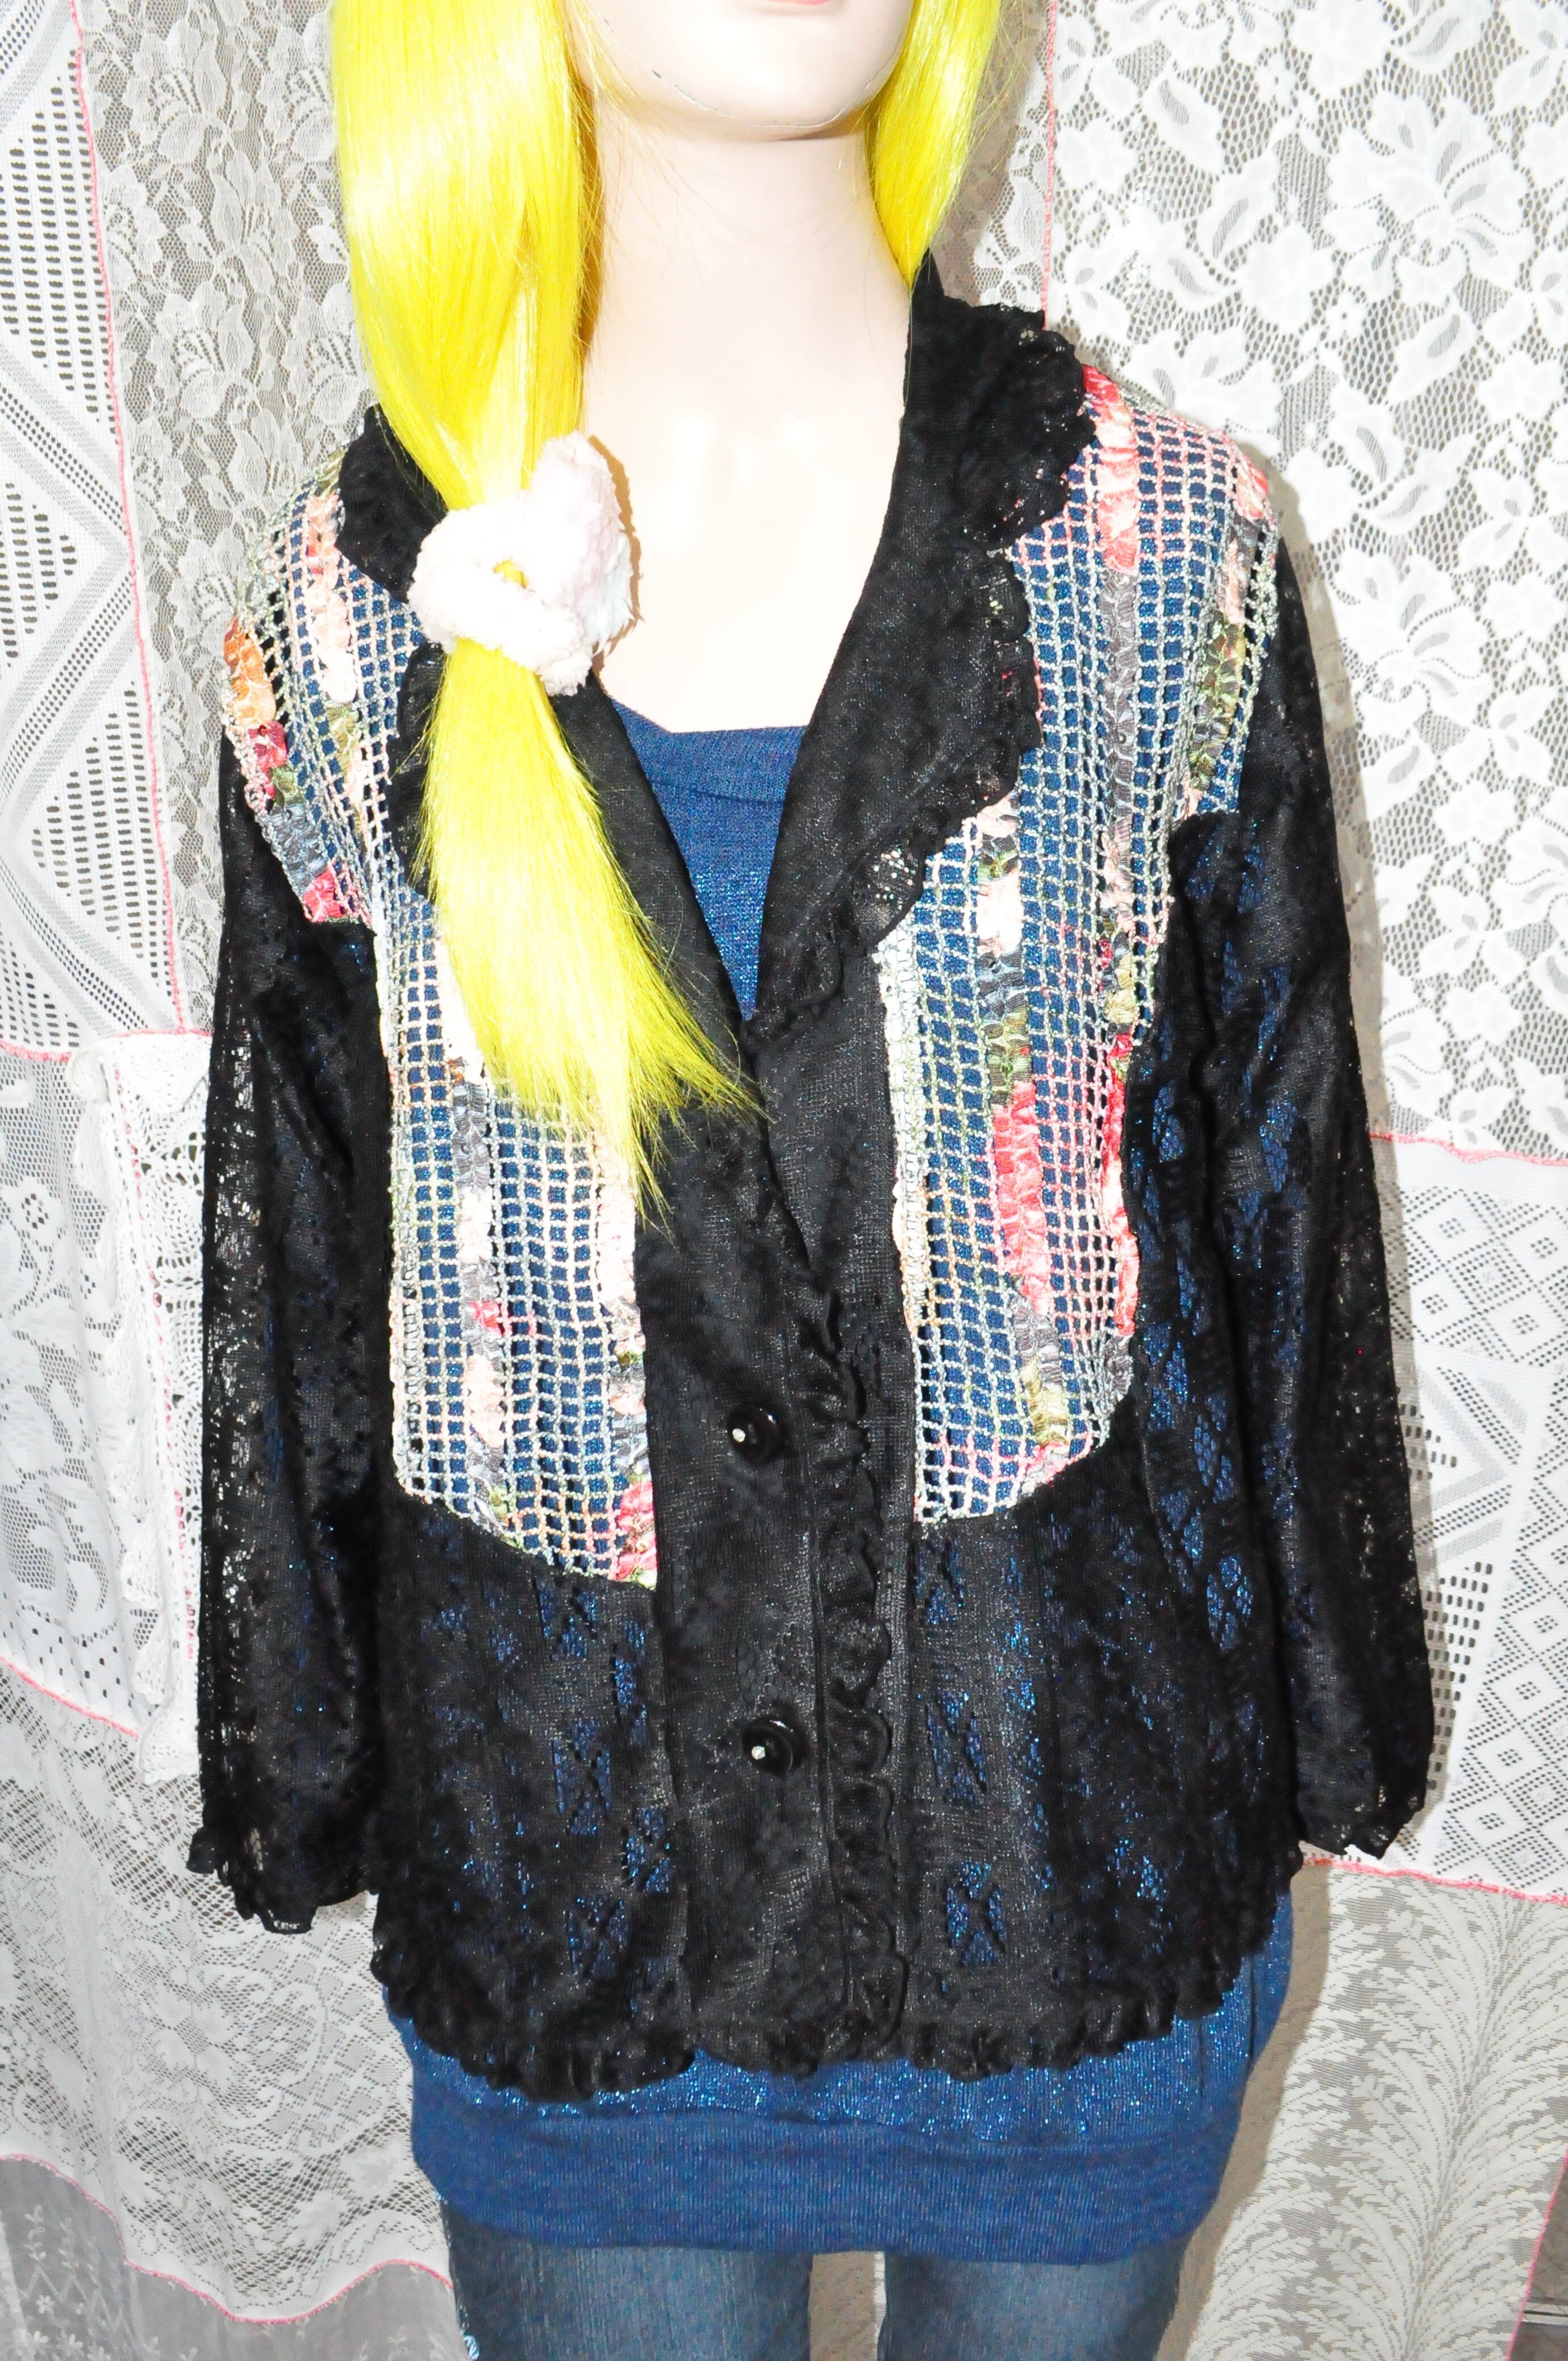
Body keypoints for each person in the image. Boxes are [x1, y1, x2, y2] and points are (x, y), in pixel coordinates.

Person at [191, 0, 1434, 2348]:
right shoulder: (340, 628)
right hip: (581, 1929)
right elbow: (300, 1269)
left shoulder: (1161, 550)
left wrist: (1341, 1709)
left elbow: (1281, 1196)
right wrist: (306, 1759)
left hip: (1073, 1886)